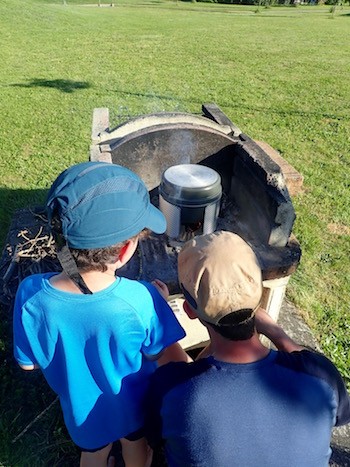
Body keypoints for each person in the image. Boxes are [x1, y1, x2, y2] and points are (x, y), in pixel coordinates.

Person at [13, 161, 190, 467]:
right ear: (124, 252)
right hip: (135, 407)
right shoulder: (142, 298)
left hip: (83, 416)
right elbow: (167, 359)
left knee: (93, 454)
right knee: (136, 447)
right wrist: (157, 304)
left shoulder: (30, 295)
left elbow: (28, 364)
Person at [145, 230, 350, 467]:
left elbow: (155, 435)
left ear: (189, 311)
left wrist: (160, 316)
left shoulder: (172, 387)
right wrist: (276, 332)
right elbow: (339, 415)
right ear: (259, 294)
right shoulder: (320, 374)